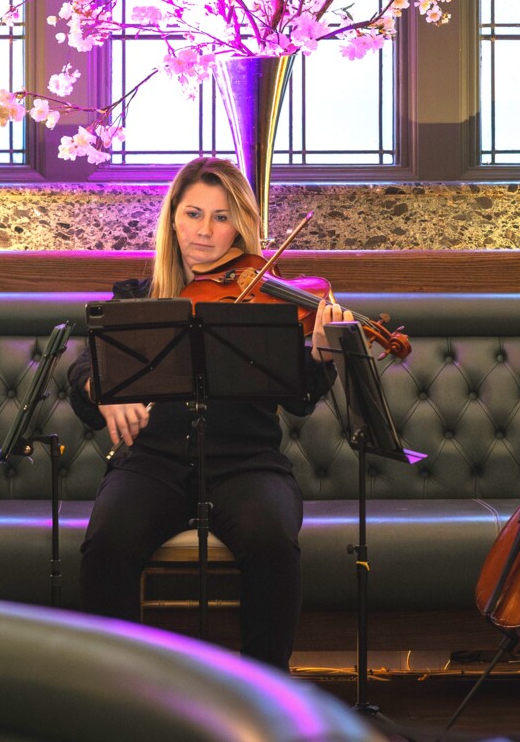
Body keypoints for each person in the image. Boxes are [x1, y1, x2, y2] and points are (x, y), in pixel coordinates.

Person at [67, 156, 348, 671]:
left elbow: (299, 401)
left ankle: (263, 690)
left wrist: (322, 356)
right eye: (193, 214)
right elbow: (85, 369)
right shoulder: (137, 297)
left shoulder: (266, 298)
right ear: (173, 218)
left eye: (221, 218)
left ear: (240, 227)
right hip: (152, 462)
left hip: (248, 462)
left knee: (272, 542)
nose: (204, 231)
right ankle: (118, 690)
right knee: (107, 542)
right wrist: (102, 388)